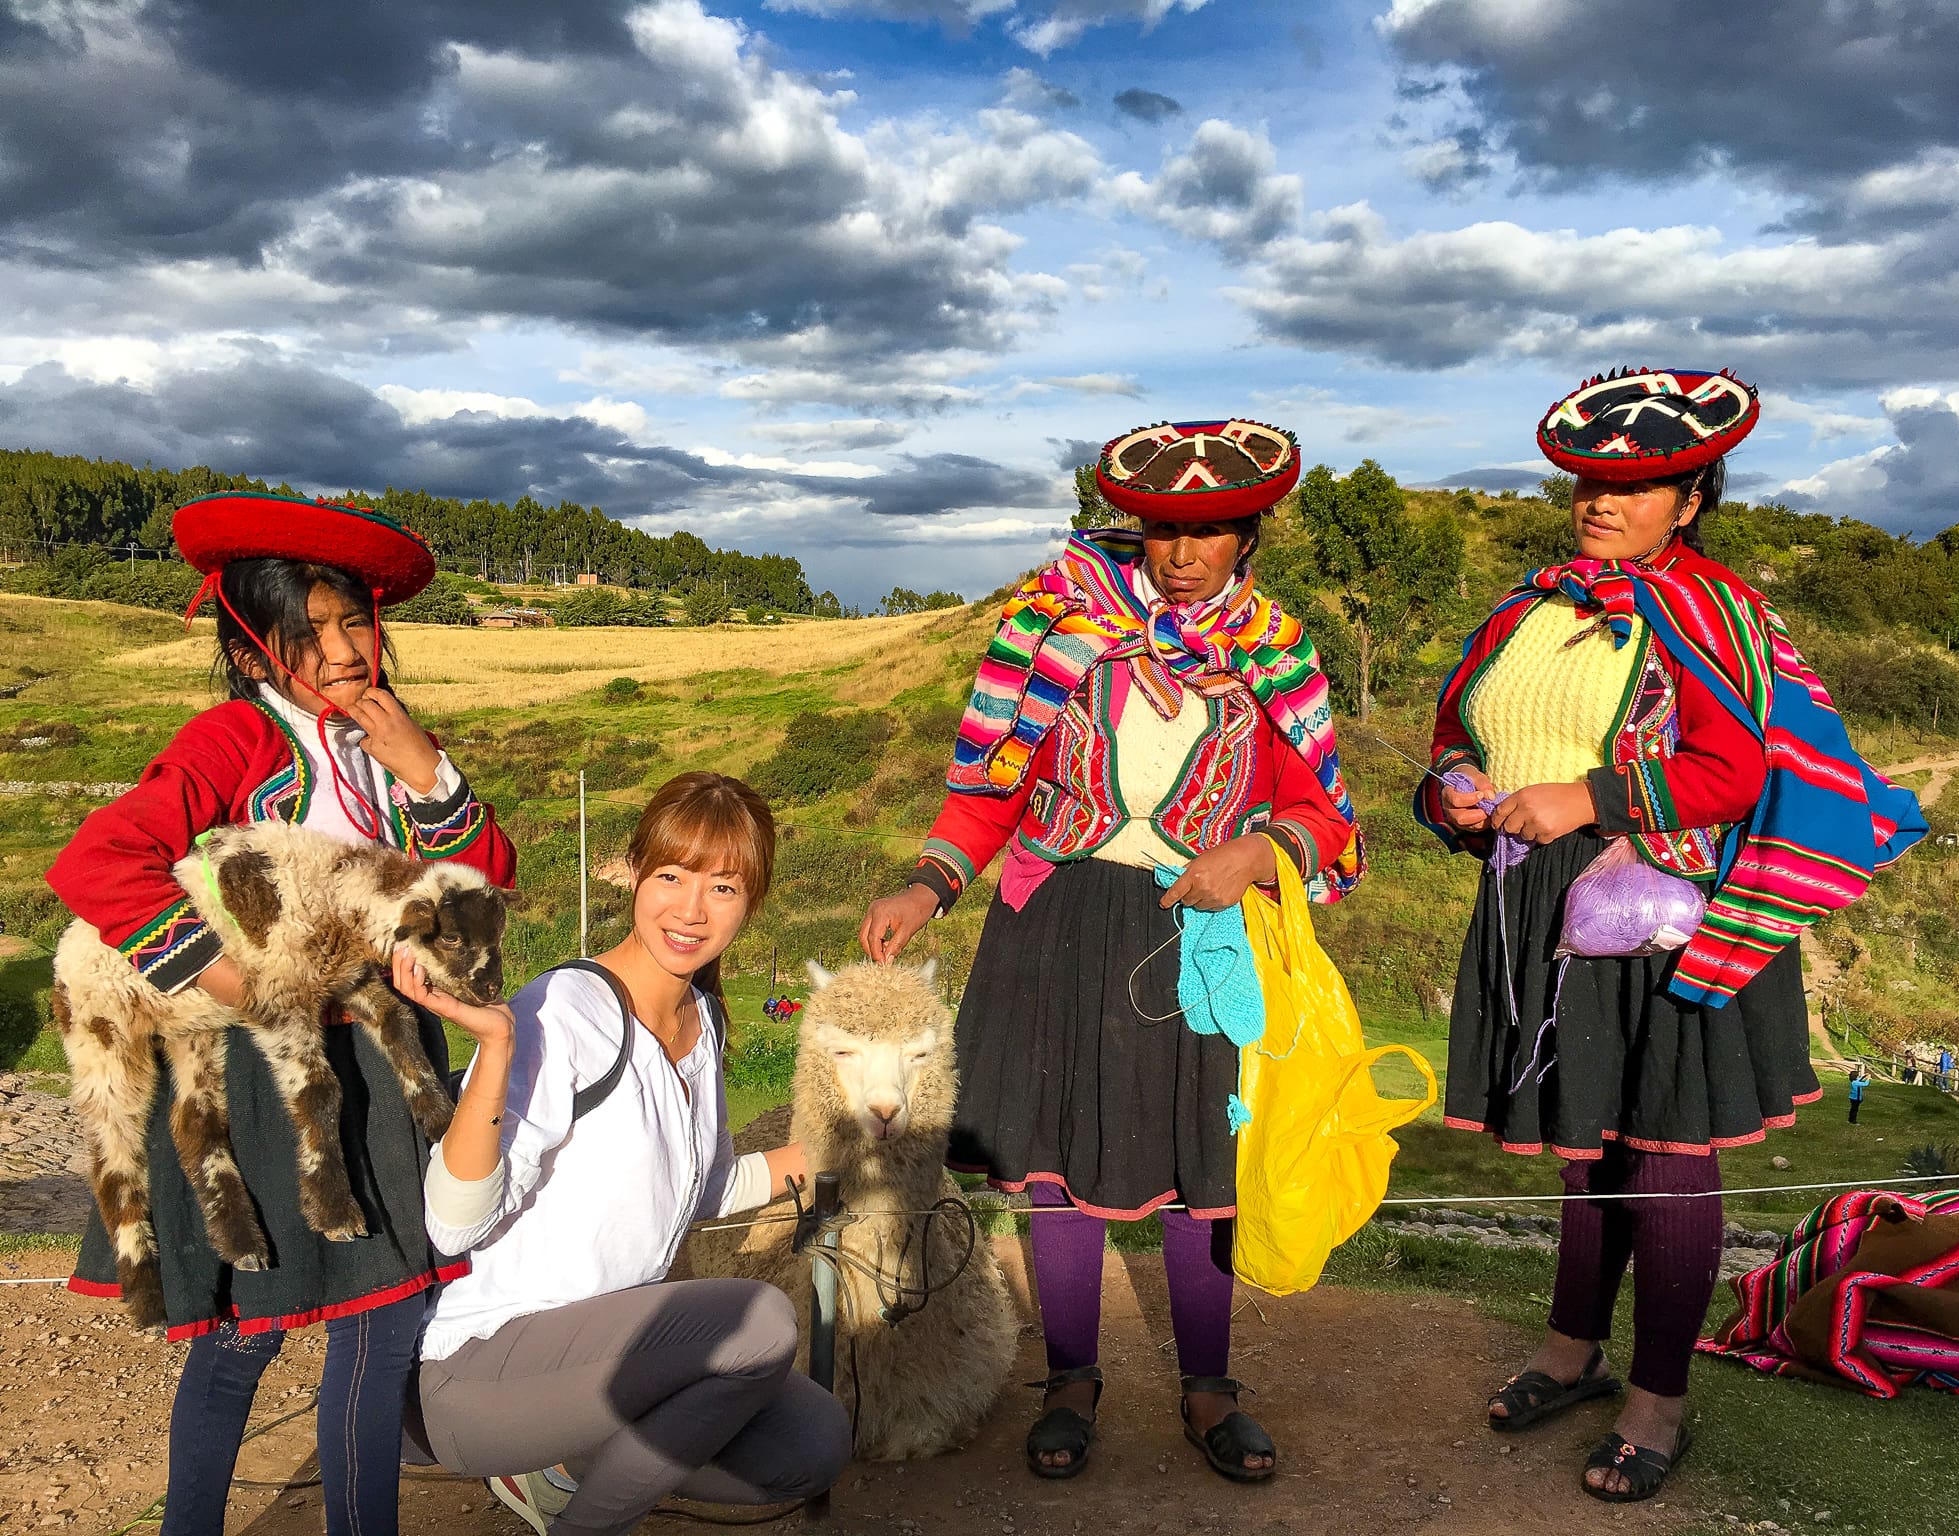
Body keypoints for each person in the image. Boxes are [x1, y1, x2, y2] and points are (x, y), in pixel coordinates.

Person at [1415, 370, 1924, 1503]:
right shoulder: (1528, 605)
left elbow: (1732, 770)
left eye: (1635, 486)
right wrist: (1450, 783)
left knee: (1660, 1154)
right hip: (1539, 899)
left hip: (1660, 909)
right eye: (1589, 482)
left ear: (1689, 497)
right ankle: (1569, 1353)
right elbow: (1456, 726)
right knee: (1585, 1150)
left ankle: (1657, 1402)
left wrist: (1590, 794)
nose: (1600, 503)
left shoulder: (1711, 612)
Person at [858, 419, 1365, 1483]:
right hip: (1052, 928)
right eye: (1161, 530)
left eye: (1208, 531)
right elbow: (985, 792)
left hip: (1202, 931)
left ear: (1249, 532)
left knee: (1200, 1166)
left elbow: (1326, 816)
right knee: (1054, 1168)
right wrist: (927, 882)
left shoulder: (1272, 650)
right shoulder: (1053, 625)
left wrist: (1258, 850)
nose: (1180, 555)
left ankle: (1208, 1385)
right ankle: (1072, 1379)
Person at [46, 491, 517, 1536]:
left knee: (382, 1317)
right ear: (259, 652)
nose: (344, 649)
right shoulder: (235, 742)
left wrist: (428, 774)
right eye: (311, 631)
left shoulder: (387, 752)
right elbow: (99, 862)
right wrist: (230, 978)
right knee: (247, 1331)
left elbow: (486, 887)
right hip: (266, 1076)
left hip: (389, 1060)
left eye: (355, 622)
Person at [400, 772, 850, 1535]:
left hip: (601, 1360)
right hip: (477, 1369)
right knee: (760, 1323)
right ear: (633, 873)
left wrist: (839, 1152)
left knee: (814, 1443)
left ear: (753, 902)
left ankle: (563, 1471)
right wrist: (501, 1047)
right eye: (671, 877)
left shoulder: (699, 1022)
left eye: (723, 889)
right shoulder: (565, 1012)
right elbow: (450, 1225)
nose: (691, 910)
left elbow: (699, 1190)